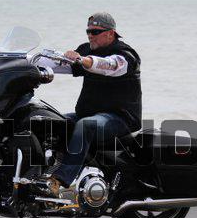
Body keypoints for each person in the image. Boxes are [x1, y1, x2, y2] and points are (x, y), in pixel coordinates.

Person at [42, 12, 142, 196]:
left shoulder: (125, 55)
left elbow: (108, 65)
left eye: (95, 32)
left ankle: (59, 181)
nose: (90, 35)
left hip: (120, 119)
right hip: (90, 114)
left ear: (110, 33)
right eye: (88, 31)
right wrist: (25, 61)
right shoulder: (87, 50)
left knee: (86, 125)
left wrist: (82, 60)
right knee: (48, 120)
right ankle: (41, 173)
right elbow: (59, 65)